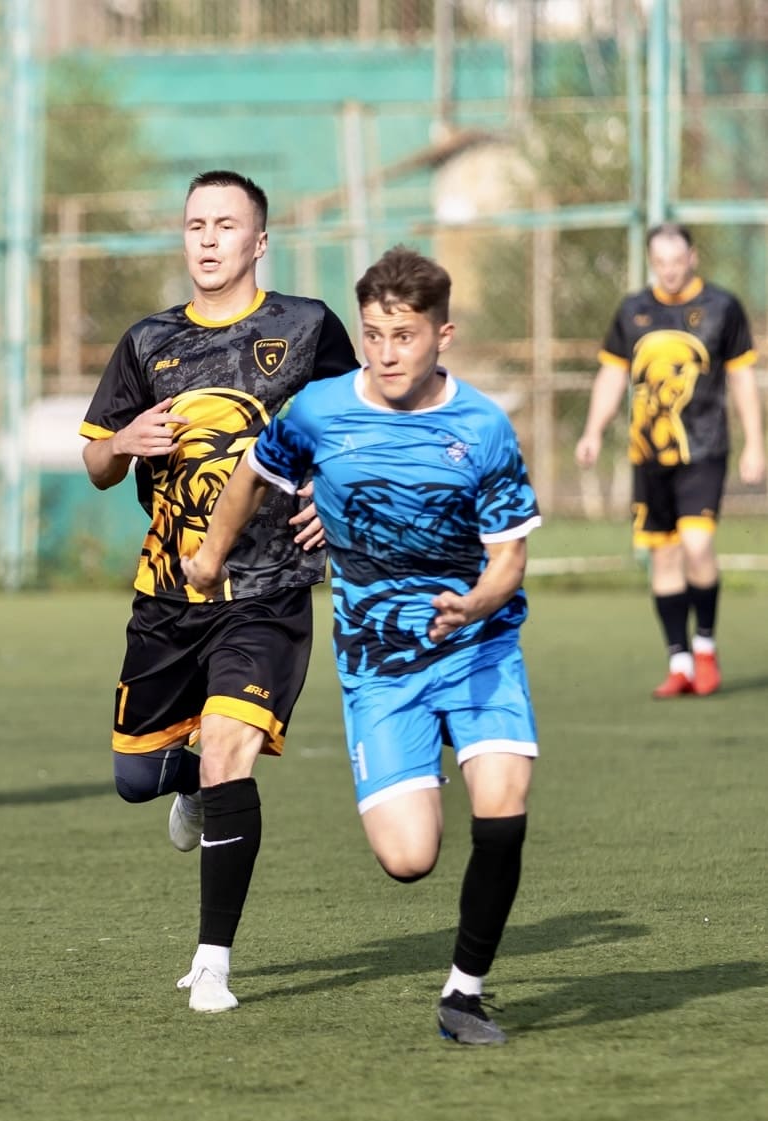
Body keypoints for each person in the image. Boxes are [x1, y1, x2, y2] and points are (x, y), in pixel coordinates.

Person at [186, 246, 541, 1044]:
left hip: (478, 647)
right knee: (408, 858)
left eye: (403, 336)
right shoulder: (318, 411)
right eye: (373, 334)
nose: (384, 353)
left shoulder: (481, 426)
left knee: (503, 801)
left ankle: (463, 993)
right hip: (380, 663)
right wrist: (210, 555)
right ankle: (422, 753)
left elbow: (509, 557)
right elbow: (251, 473)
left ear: (441, 335)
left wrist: (476, 603)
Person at [79, 171, 359, 1013]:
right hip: (167, 596)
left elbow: (356, 430)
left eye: (225, 225)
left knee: (232, 749)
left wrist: (331, 496)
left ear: (258, 241)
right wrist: (122, 442)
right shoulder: (147, 342)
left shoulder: (306, 328)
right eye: (195, 224)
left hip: (268, 590)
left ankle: (211, 963)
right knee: (137, 779)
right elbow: (95, 465)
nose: (207, 239)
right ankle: (189, 786)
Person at [574, 223, 761, 698]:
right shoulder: (633, 310)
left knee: (697, 546)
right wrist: (593, 430)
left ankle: (705, 647)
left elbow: (742, 378)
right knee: (665, 555)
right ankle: (679, 662)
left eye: (677, 262)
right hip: (648, 455)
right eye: (661, 263)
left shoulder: (723, 307)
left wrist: (755, 443)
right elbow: (612, 375)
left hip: (704, 450)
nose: (670, 271)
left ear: (693, 258)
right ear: (651, 262)